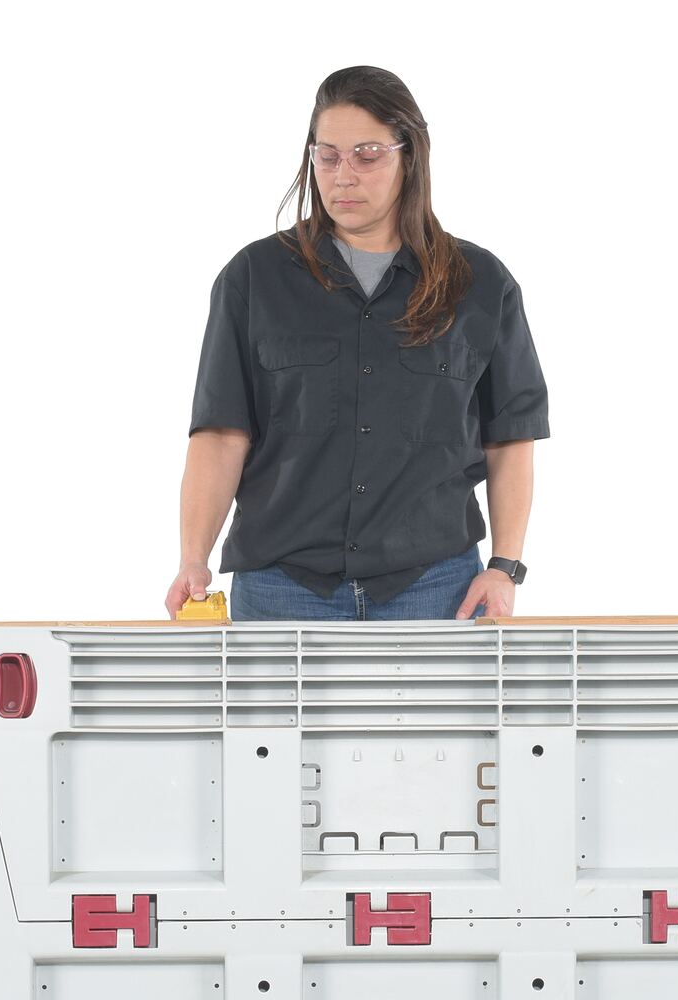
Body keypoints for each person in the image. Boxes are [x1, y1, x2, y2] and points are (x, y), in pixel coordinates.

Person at [164, 65, 549, 623]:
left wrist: (505, 566)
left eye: (367, 155)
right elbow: (221, 434)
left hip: (435, 586)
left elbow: (509, 437)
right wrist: (192, 558)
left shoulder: (480, 283)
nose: (343, 176)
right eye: (328, 156)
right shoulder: (253, 278)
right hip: (282, 587)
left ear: (409, 156)